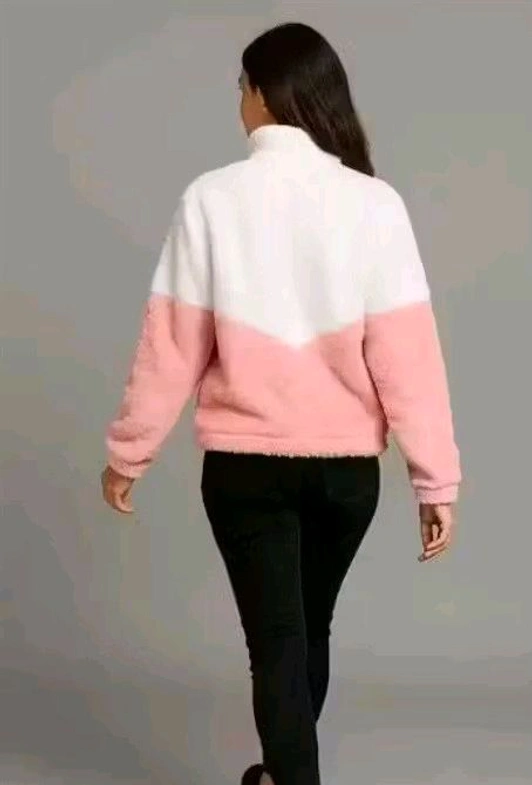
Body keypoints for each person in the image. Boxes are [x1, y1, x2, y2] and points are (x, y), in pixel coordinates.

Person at [101, 21, 461, 785]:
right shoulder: (375, 204)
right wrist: (435, 479)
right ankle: (279, 774)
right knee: (306, 631)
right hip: (346, 475)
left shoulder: (212, 198)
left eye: (241, 87)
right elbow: (410, 358)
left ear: (265, 95)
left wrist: (129, 452)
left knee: (278, 643)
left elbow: (172, 345)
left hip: (246, 468)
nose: (238, 102)